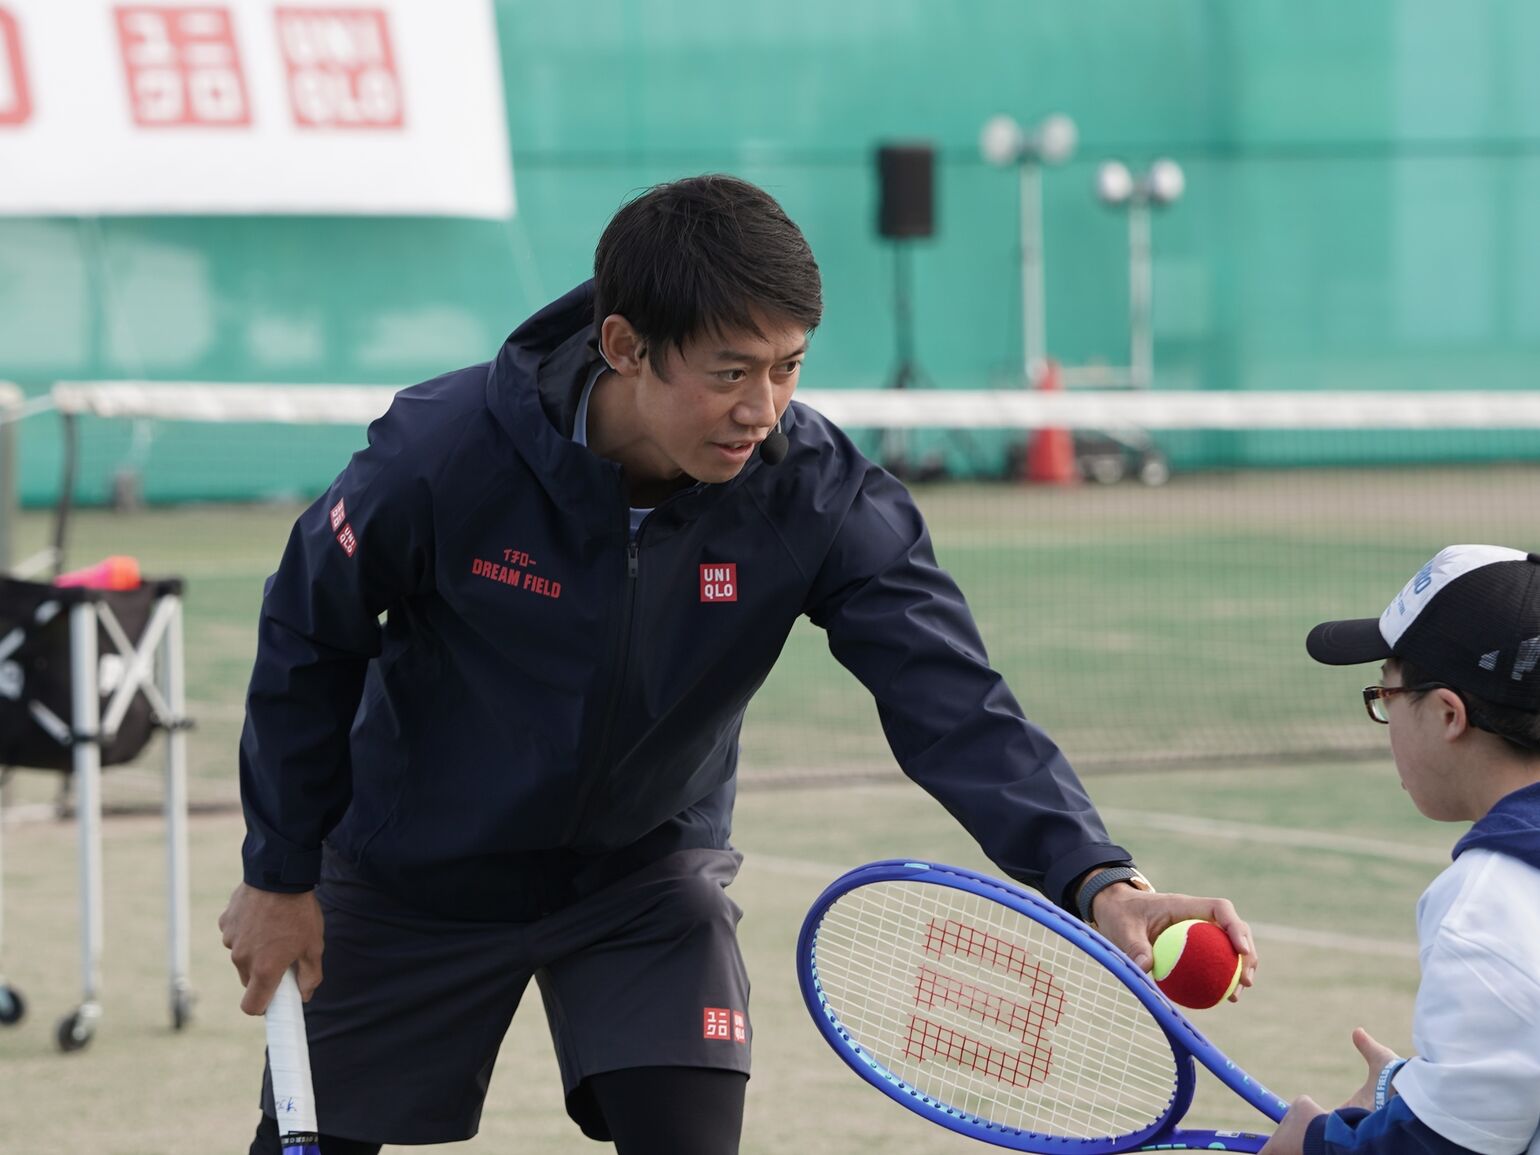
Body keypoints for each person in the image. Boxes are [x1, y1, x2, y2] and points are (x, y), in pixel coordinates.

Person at [219, 173, 1257, 1155]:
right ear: (625, 345)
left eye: (787, 366)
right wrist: (279, 870)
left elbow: (954, 704)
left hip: (644, 882)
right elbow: (310, 638)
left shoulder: (817, 496)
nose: (762, 408)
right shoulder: (440, 456)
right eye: (729, 371)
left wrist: (1099, 878)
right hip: (411, 877)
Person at [1262, 545, 1540, 1155]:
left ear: (1446, 714)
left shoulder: (1487, 907)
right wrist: (1424, 1095)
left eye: (1384, 697)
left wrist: (1314, 1144)